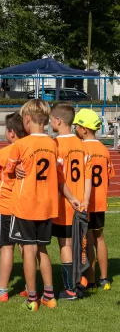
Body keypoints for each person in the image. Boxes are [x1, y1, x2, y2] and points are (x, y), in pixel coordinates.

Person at [5, 99, 80, 311]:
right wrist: (71, 197)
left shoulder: (20, 144)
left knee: (28, 250)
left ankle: (32, 297)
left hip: (26, 205)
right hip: (48, 206)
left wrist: (15, 170)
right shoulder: (52, 144)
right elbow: (60, 177)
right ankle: (50, 295)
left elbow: (8, 170)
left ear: (27, 119)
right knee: (42, 249)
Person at [0, 112, 27, 302]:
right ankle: (29, 287)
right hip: (25, 205)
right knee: (26, 247)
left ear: (10, 133)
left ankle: (2, 291)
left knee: (6, 247)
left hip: (6, 206)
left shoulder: (1, 154)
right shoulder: (29, 151)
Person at [49, 102, 91, 300]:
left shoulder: (55, 145)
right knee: (77, 245)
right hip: (81, 203)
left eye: (50, 119)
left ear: (58, 120)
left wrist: (71, 198)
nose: (49, 122)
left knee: (65, 245)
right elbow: (88, 176)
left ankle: (70, 289)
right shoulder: (81, 145)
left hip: (65, 205)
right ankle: (79, 283)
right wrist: (85, 200)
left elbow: (59, 178)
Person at [73, 109, 115, 290]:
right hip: (100, 202)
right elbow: (110, 175)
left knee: (87, 240)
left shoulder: (82, 148)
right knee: (100, 238)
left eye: (76, 126)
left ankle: (89, 279)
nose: (74, 128)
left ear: (84, 129)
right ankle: (104, 278)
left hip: (86, 201)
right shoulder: (104, 150)